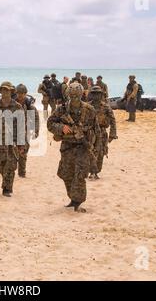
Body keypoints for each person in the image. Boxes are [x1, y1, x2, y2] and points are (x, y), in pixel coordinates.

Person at [47, 83, 99, 213]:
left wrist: (95, 148)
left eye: (77, 95)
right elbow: (50, 123)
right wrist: (61, 128)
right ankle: (73, 199)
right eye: (72, 95)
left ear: (81, 95)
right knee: (66, 174)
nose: (74, 98)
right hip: (67, 147)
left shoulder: (89, 110)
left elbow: (96, 130)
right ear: (68, 95)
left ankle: (78, 202)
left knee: (80, 175)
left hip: (83, 147)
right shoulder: (61, 109)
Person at [0, 82, 24, 197]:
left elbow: (21, 126)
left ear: (11, 92)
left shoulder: (18, 107)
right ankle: (5, 180)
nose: (4, 92)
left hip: (12, 141)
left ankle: (7, 188)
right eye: (3, 90)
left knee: (10, 165)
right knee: (0, 165)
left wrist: (21, 143)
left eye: (7, 90)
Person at [88, 86, 118, 179]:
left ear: (101, 95)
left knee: (101, 152)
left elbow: (113, 121)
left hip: (102, 133)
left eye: (98, 94)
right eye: (94, 94)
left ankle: (96, 172)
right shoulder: (87, 106)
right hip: (90, 132)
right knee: (89, 151)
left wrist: (112, 134)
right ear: (91, 95)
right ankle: (92, 171)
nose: (96, 96)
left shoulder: (106, 107)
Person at [15, 84, 40, 178]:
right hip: (13, 131)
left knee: (23, 152)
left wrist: (36, 130)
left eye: (22, 93)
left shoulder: (29, 105)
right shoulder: (12, 103)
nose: (20, 95)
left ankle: (22, 173)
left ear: (25, 94)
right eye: (18, 93)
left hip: (25, 131)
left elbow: (36, 118)